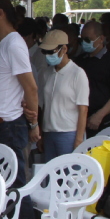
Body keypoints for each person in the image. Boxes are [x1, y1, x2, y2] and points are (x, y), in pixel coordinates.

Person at [0, 0, 40, 184]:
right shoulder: (1, 43)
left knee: (14, 182)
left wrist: (34, 124)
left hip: (8, 125)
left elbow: (30, 86)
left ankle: (24, 215)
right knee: (1, 182)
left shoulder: (14, 44)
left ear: (0, 14)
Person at [36, 29, 89, 161]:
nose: (47, 55)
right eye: (45, 52)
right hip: (48, 133)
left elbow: (83, 109)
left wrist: (79, 139)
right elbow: (43, 106)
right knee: (50, 174)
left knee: (69, 174)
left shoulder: (77, 73)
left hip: (68, 133)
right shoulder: (46, 73)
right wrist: (41, 134)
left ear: (64, 49)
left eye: (51, 51)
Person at [76, 20, 110, 134]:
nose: (84, 43)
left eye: (88, 39)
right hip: (81, 118)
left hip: (103, 121)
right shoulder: (80, 61)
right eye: (82, 39)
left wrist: (99, 115)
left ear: (101, 38)